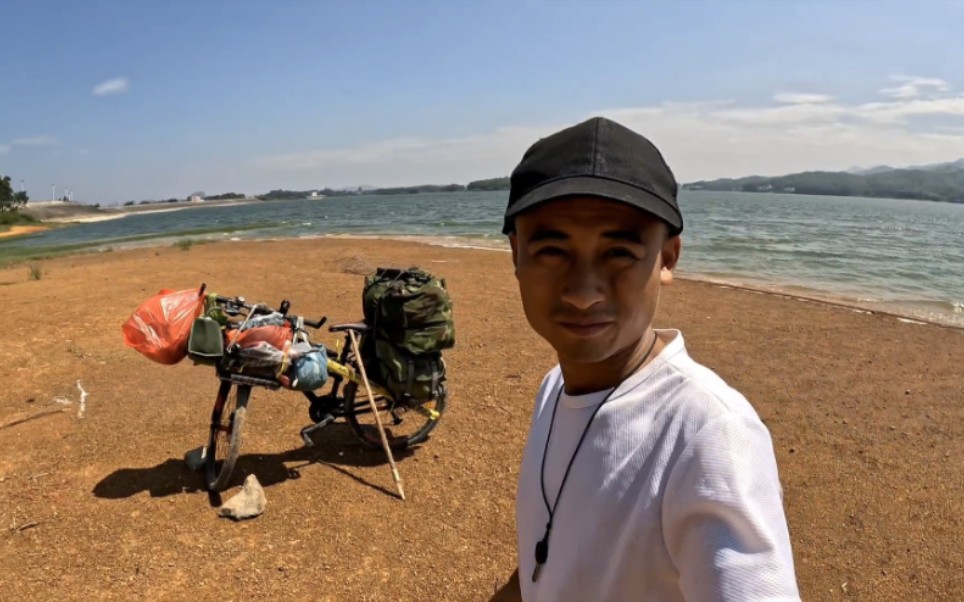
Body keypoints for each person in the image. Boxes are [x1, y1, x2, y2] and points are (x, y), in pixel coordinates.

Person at [490, 117, 801, 601]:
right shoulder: (555, 387)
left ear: (668, 259)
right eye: (552, 250)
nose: (582, 293)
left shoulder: (709, 435)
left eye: (619, 252)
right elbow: (547, 561)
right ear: (516, 255)